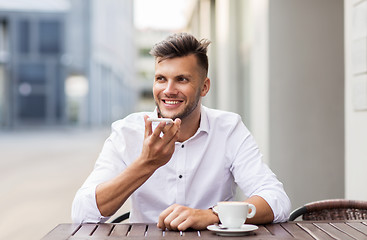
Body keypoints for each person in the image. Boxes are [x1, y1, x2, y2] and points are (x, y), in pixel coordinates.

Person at [72, 33, 291, 231]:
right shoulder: (126, 132)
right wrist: (146, 164)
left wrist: (211, 215)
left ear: (204, 87)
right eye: (161, 79)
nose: (168, 90)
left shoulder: (229, 128)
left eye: (182, 79)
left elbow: (276, 200)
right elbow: (82, 215)